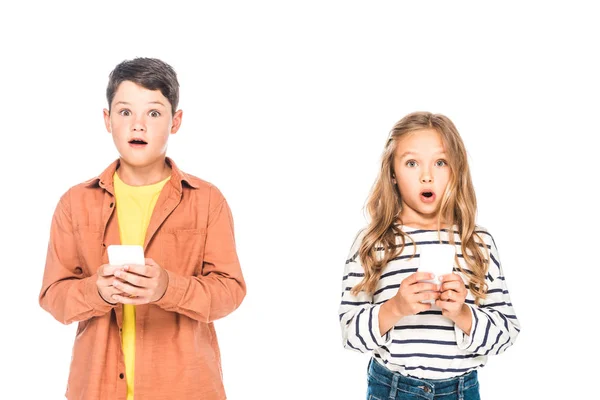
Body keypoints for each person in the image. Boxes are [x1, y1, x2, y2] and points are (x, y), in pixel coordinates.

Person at [39, 57, 246, 400]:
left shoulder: (208, 201)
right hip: (96, 389)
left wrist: (169, 287)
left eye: (153, 113)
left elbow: (230, 291)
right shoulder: (74, 203)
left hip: (184, 389)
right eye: (124, 112)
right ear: (107, 120)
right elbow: (53, 297)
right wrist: (97, 292)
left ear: (175, 121)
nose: (138, 125)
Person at [338, 112, 519, 400]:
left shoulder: (478, 244)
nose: (427, 175)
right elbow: (350, 334)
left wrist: (463, 314)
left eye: (440, 162)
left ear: (456, 170)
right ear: (392, 174)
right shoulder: (372, 243)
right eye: (412, 163)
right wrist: (395, 308)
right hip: (392, 389)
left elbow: (506, 333)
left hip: (461, 390)